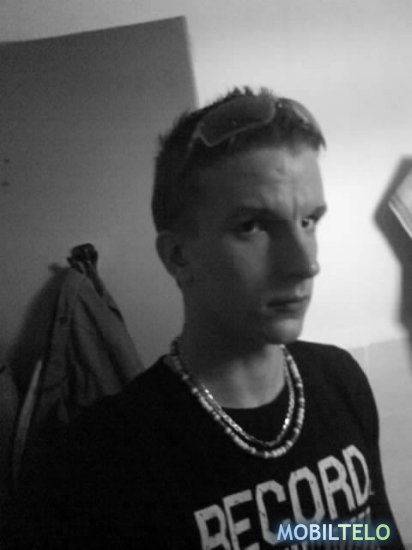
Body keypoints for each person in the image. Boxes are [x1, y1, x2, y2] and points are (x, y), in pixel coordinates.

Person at [18, 87, 404, 549]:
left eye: (309, 221)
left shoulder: (340, 380)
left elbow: (372, 532)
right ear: (179, 257)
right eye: (252, 226)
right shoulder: (98, 461)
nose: (305, 264)